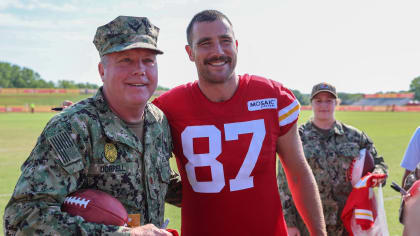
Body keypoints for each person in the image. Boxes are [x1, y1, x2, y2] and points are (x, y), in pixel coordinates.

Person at [153, 10, 326, 236]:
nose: (218, 51)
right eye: (205, 43)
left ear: (236, 45)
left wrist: (319, 234)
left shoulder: (273, 98)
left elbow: (298, 173)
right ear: (190, 52)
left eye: (225, 41)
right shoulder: (166, 108)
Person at [3, 16, 180, 236]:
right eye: (126, 60)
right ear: (102, 71)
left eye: (148, 60)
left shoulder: (158, 122)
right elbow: (22, 218)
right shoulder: (73, 128)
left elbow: (155, 177)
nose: (140, 70)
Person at [278, 82, 388, 236]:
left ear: (337, 103)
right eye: (319, 101)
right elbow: (283, 184)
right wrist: (289, 223)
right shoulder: (297, 137)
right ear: (311, 104)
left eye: (329, 100)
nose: (324, 105)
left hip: (347, 220)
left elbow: (379, 165)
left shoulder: (355, 137)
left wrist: (375, 176)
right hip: (308, 223)